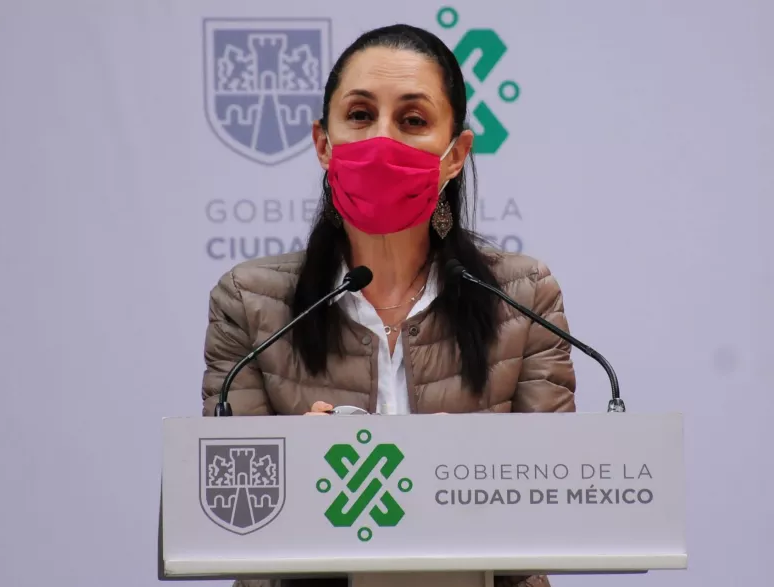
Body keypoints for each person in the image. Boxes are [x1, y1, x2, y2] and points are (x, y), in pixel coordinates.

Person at [202, 23, 575, 587]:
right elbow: (235, 528)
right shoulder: (249, 302)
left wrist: (475, 471)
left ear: (456, 154)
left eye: (413, 120)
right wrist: (297, 472)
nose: (382, 141)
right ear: (323, 144)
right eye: (359, 116)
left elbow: (553, 518)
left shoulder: (525, 298)